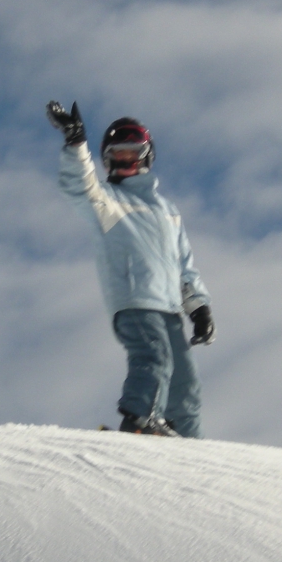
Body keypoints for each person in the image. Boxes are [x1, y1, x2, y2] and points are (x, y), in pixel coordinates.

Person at [47, 100, 215, 437]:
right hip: (136, 300)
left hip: (169, 307)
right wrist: (76, 142)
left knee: (186, 384)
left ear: (146, 156)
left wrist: (198, 308)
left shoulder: (168, 211)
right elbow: (79, 186)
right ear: (107, 161)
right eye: (117, 155)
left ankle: (190, 446)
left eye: (132, 153)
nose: (125, 161)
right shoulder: (108, 202)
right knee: (154, 357)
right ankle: (140, 420)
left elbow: (184, 265)